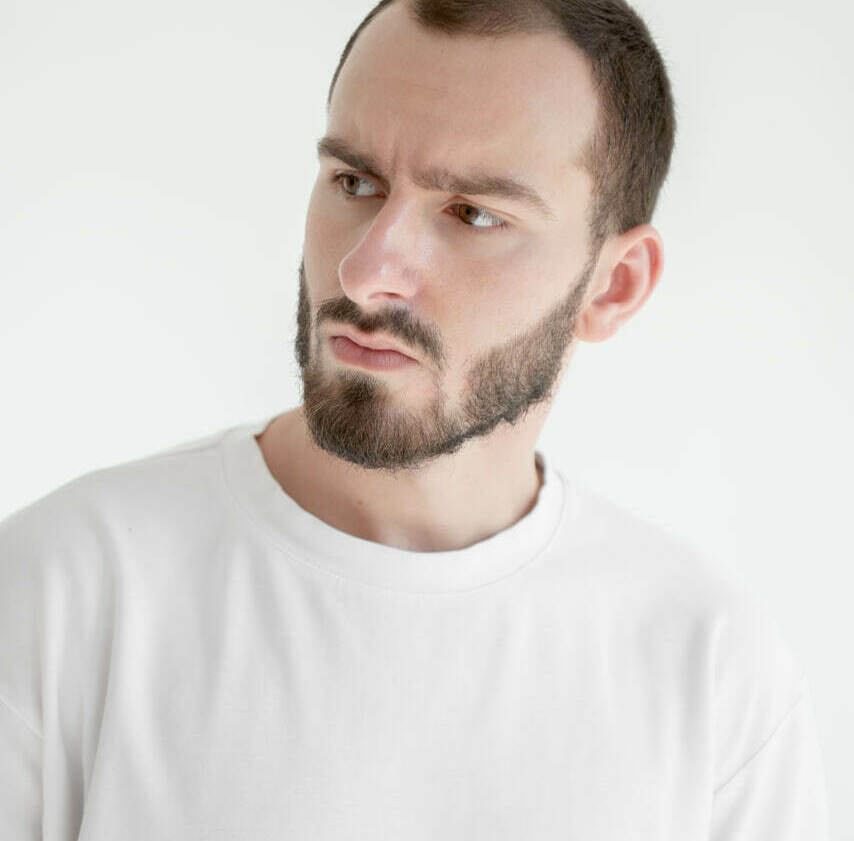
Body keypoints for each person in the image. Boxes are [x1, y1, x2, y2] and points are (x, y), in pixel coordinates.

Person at [0, 0, 830, 838]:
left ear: (612, 286)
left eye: (474, 213)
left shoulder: (712, 676)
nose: (365, 272)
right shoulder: (63, 594)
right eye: (354, 182)